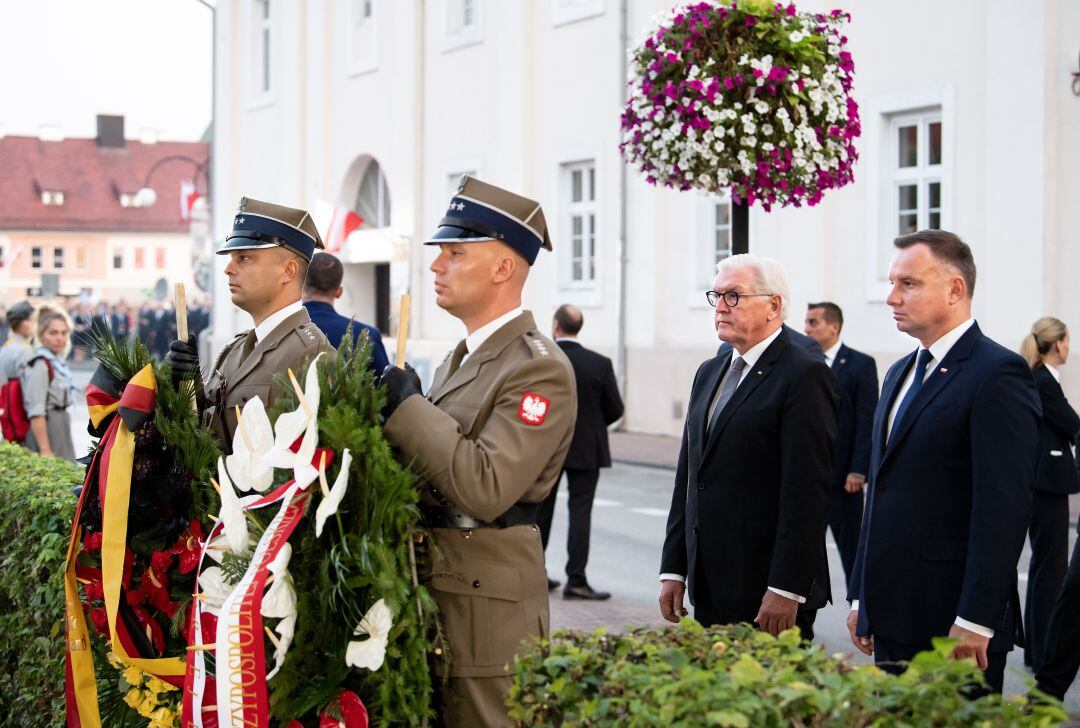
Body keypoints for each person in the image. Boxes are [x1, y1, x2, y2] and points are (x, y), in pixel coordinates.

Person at [380, 175, 576, 726]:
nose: (437, 265)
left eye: (455, 253)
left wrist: (407, 408)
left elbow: (485, 487)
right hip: (441, 598)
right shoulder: (460, 359)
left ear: (502, 268)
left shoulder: (538, 367)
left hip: (486, 622)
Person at [847, 230, 1040, 694]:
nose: (892, 297)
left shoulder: (998, 373)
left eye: (908, 284)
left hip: (953, 623)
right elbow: (882, 489)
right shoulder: (898, 372)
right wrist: (861, 594)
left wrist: (976, 617)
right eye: (892, 283)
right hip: (892, 612)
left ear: (955, 289)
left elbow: (1003, 509)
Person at [659, 254, 839, 641]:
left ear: (773, 305)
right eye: (717, 295)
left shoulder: (804, 374)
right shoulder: (711, 371)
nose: (721, 306)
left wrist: (787, 587)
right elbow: (690, 475)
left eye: (734, 296)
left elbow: (807, 491)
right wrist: (674, 568)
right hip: (709, 584)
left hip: (767, 593)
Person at [166, 197, 331, 452]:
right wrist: (187, 387)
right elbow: (208, 434)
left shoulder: (312, 354)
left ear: (288, 271)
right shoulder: (235, 350)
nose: (228, 269)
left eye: (244, 258)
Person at [537, 303, 624, 599]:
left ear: (555, 326)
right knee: (580, 513)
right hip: (587, 448)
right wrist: (593, 426)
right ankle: (576, 579)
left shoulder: (544, 360)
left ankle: (537, 573)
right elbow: (616, 408)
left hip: (546, 448)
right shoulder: (599, 363)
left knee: (540, 510)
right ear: (579, 327)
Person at [1018, 317, 1079, 670]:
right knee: (1050, 571)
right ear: (1058, 344)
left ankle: (1038, 649)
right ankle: (1042, 652)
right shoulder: (1043, 381)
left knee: (1046, 569)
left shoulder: (1042, 379)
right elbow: (1073, 426)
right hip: (1047, 487)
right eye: (1068, 341)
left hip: (1047, 485)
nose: (1069, 347)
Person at [803, 301, 878, 585]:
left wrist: (859, 469)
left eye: (813, 322)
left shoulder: (860, 365)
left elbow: (867, 419)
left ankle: (859, 614)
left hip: (844, 482)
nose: (806, 329)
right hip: (810, 480)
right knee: (803, 554)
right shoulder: (802, 363)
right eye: (807, 322)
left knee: (852, 554)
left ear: (834, 327)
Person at [302, 251, 389, 373]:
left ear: (301, 286)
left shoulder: (282, 331)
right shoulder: (367, 336)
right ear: (339, 292)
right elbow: (385, 387)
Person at [22, 306, 76, 460]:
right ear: (41, 335)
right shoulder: (40, 364)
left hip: (60, 424)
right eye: (53, 333)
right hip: (48, 427)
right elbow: (36, 410)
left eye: (64, 333)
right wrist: (45, 449)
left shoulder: (57, 362)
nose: (59, 338)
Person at [0, 301, 36, 384]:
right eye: (31, 320)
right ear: (22, 323)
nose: (35, 324)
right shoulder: (24, 351)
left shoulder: (8, 346)